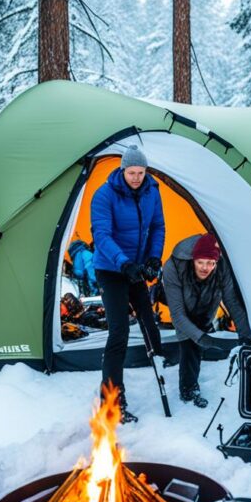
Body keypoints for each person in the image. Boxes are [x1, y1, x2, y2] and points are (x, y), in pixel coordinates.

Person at [90, 145, 166, 423]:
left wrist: (154, 259)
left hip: (136, 268)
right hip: (111, 269)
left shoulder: (152, 191)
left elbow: (158, 226)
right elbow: (101, 234)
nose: (136, 177)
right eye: (132, 172)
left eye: (141, 172)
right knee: (119, 331)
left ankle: (161, 371)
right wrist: (123, 263)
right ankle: (111, 402)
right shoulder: (104, 195)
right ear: (123, 170)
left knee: (149, 321)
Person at [162, 233, 251, 408]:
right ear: (193, 259)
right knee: (189, 344)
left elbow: (232, 302)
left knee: (198, 338)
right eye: (201, 262)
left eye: (210, 263)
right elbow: (177, 314)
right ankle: (189, 389)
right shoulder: (173, 267)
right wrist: (204, 338)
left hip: (206, 304)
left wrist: (246, 335)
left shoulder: (222, 267)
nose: (205, 267)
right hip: (183, 305)